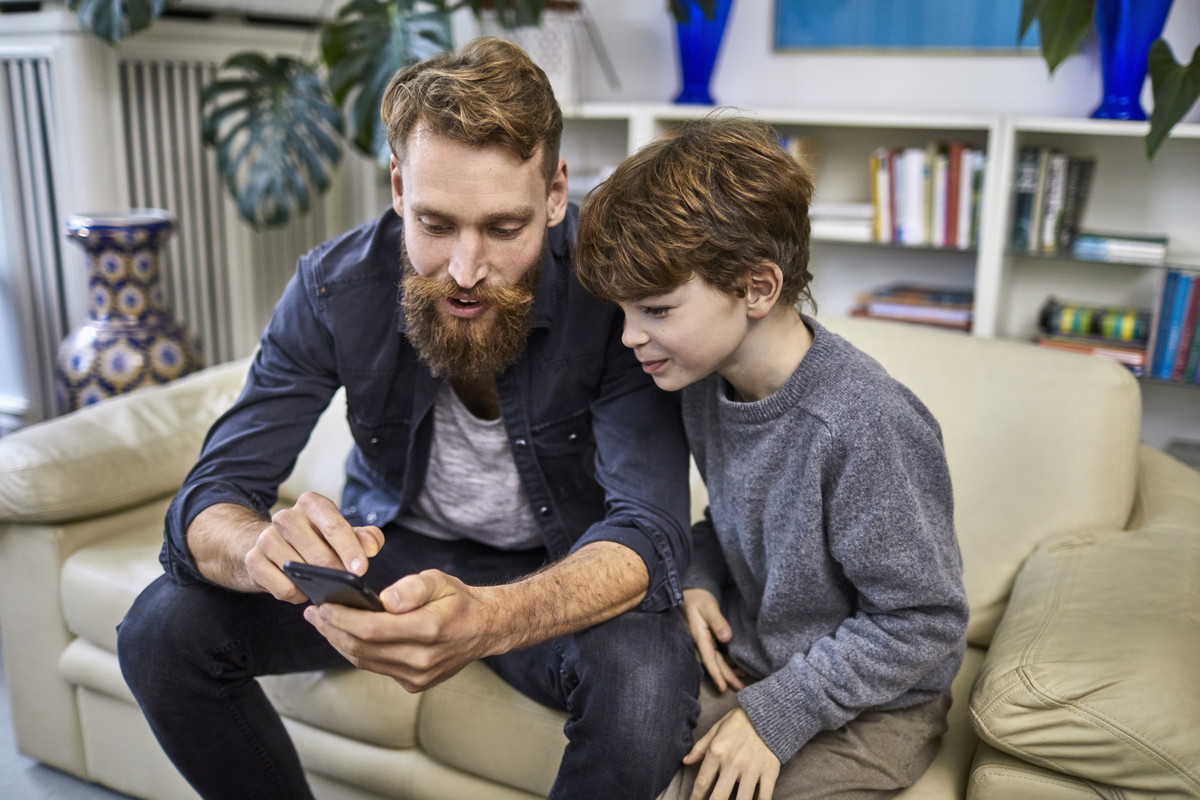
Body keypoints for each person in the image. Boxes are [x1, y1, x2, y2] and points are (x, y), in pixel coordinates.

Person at [117, 37, 700, 800]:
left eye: (504, 228)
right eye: (436, 224)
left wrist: (488, 618)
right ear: (398, 186)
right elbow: (211, 493)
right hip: (388, 551)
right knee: (160, 632)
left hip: (560, 560)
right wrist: (256, 548)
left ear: (555, 193)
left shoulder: (613, 292)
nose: (465, 271)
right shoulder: (336, 289)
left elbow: (650, 531)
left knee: (649, 689)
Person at [576, 116, 970, 800]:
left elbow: (923, 621)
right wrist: (698, 577)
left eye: (656, 310)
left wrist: (776, 714)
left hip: (874, 705)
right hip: (758, 663)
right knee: (622, 732)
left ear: (757, 288)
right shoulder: (703, 385)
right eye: (624, 312)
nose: (630, 337)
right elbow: (737, 523)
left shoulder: (864, 422)